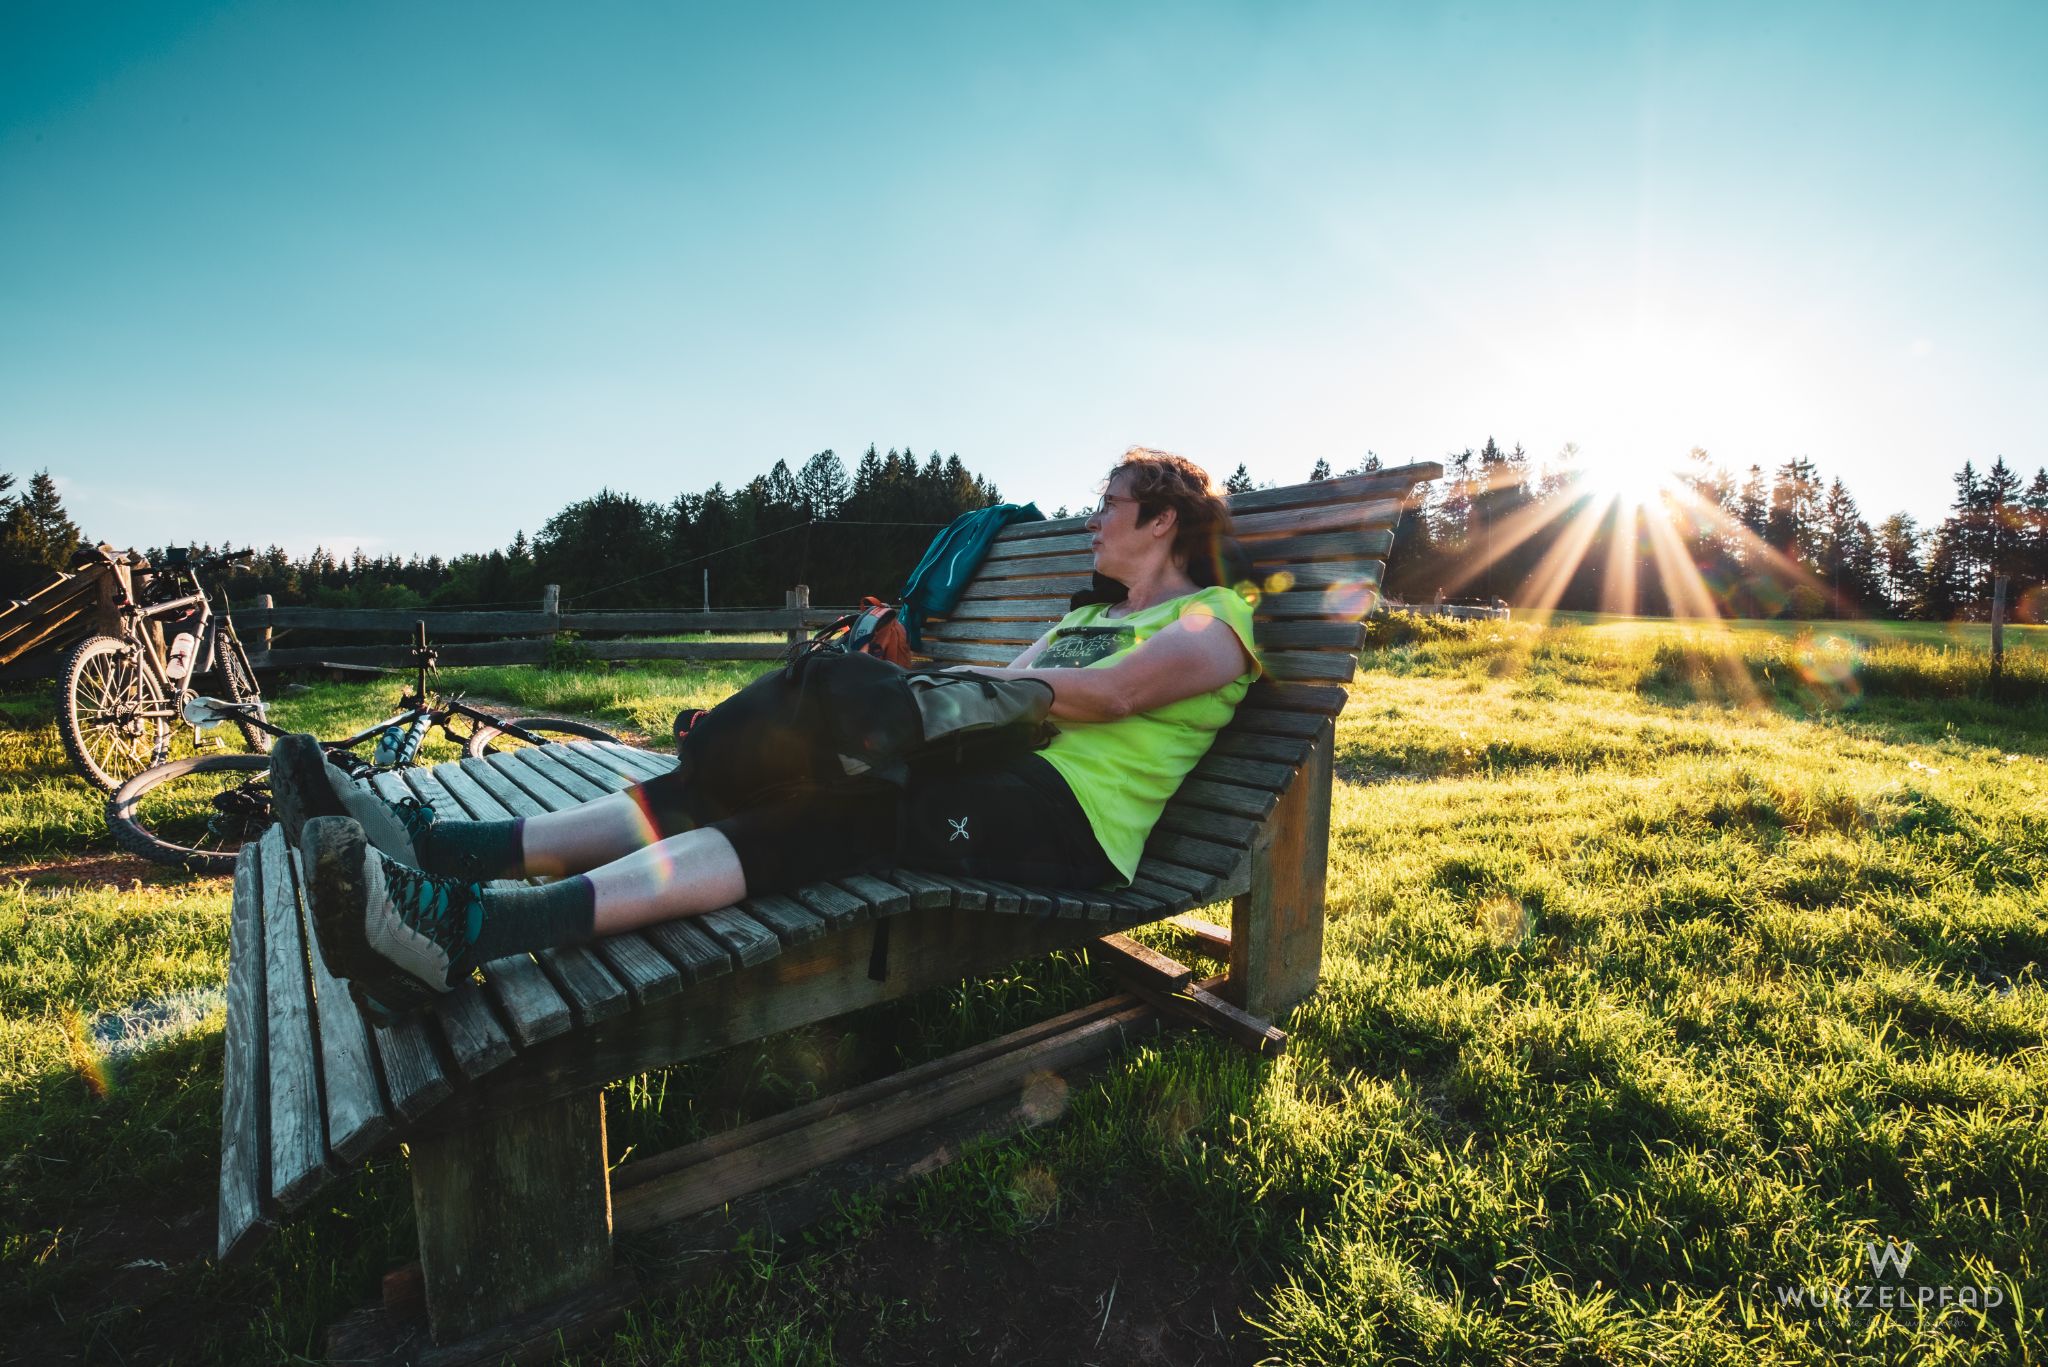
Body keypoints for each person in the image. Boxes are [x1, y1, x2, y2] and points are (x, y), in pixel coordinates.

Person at [281, 447, 1263, 1018]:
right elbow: (997, 687)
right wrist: (918, 699)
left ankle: (480, 925)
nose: (1094, 518)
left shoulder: (1216, 617)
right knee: (799, 725)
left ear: (1165, 517)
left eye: (1110, 502)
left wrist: (942, 703)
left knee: (837, 800)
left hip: (1066, 824)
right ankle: (444, 851)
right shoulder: (1079, 611)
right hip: (996, 769)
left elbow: (1119, 696)